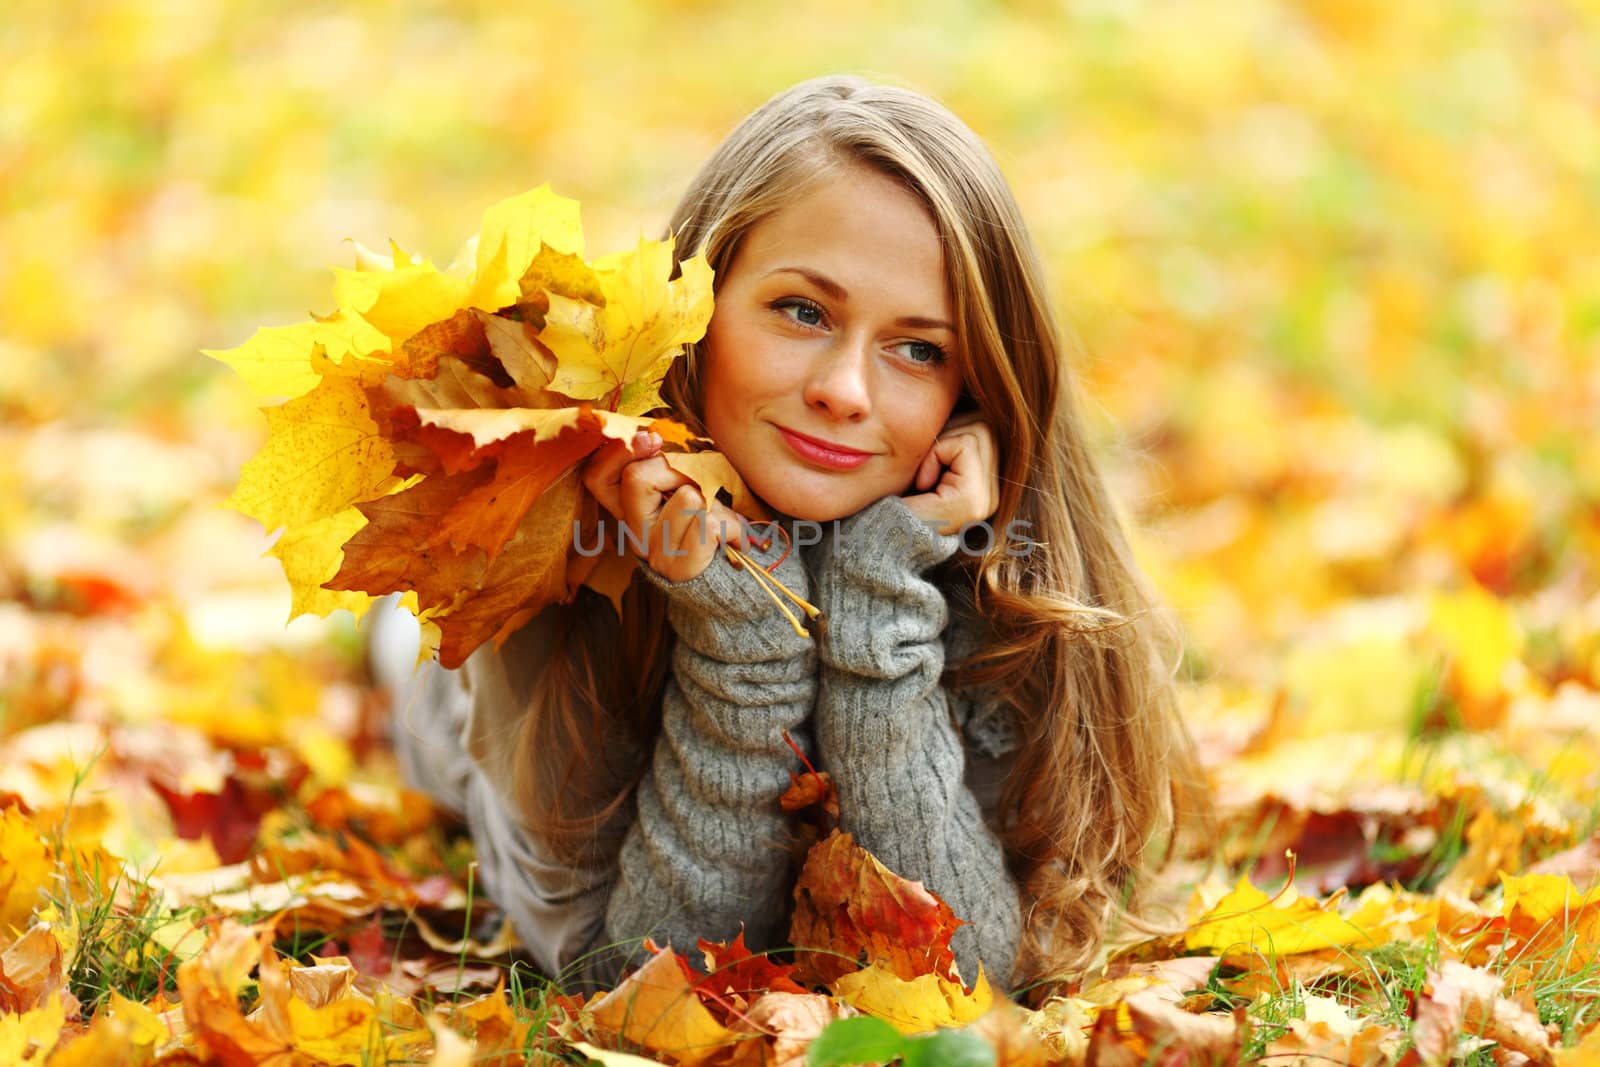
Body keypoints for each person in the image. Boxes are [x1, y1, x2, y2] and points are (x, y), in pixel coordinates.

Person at [379, 74, 1203, 994]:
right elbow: (620, 976)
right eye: (803, 311)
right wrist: (740, 651)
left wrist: (876, 618)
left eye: (918, 349)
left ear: (971, 392)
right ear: (698, 304)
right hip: (453, 704)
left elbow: (969, 976)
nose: (844, 390)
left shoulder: (1006, 580)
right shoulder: (558, 558)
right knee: (410, 660)